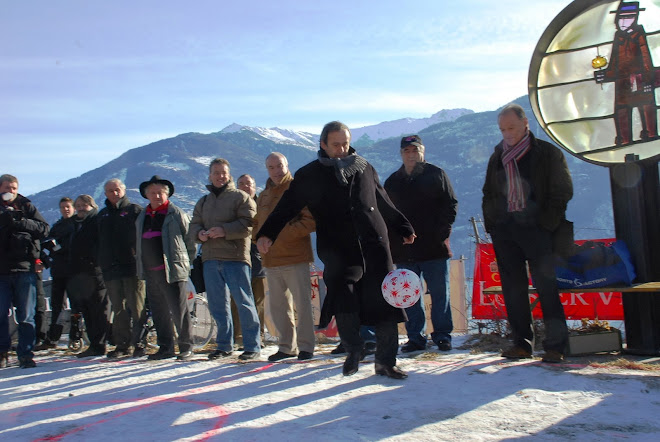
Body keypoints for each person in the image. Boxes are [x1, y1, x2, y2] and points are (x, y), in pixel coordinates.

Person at [257, 121, 415, 379]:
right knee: (344, 297)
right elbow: (288, 205)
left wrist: (402, 226)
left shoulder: (364, 166)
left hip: (374, 244)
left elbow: (382, 200)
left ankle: (386, 362)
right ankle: (354, 348)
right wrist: (267, 233)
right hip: (338, 248)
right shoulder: (309, 174)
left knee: (386, 302)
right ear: (323, 145)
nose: (342, 149)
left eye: (345, 143)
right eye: (336, 144)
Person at [482, 103, 573, 363]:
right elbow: (488, 192)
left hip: (539, 229)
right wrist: (493, 225)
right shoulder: (497, 156)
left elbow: (562, 190)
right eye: (502, 129)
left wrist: (546, 223)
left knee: (547, 287)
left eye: (511, 127)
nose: (507, 133)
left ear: (525, 124)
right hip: (506, 229)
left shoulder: (547, 153)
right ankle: (521, 343)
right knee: (513, 289)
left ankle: (556, 346)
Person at [384, 135, 458, 352]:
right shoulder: (393, 181)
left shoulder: (436, 174)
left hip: (434, 247)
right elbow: (386, 213)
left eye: (415, 150)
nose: (411, 154)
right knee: (409, 296)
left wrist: (441, 233)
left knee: (439, 294)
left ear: (422, 152)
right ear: (401, 154)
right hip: (404, 250)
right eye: (407, 151)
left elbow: (451, 205)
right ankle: (415, 337)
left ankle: (442, 336)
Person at [189, 160, 261, 361]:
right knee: (218, 305)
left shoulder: (241, 197)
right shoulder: (203, 202)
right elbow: (193, 225)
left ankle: (252, 346)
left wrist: (224, 231)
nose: (220, 176)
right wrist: (200, 234)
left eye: (224, 173)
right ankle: (223, 345)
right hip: (210, 259)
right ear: (210, 175)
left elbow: (249, 224)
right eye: (216, 173)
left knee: (244, 302)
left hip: (235, 258)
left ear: (229, 175)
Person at [254, 153, 316, 362]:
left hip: (295, 256)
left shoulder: (298, 190)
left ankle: (306, 346)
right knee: (278, 307)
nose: (276, 171)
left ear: (287, 165)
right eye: (271, 167)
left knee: (303, 305)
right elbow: (257, 225)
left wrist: (278, 235)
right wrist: (259, 240)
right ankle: (286, 347)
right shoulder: (263, 196)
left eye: (279, 166)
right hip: (271, 260)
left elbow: (309, 222)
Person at [135, 176, 195, 361]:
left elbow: (189, 240)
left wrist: (184, 264)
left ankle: (186, 347)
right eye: (153, 193)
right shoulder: (142, 216)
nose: (156, 196)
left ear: (166, 194)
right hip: (150, 271)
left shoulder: (176, 213)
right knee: (159, 311)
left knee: (179, 311)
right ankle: (165, 347)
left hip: (172, 270)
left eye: (160, 192)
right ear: (147, 195)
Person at [0, 174, 50, 368]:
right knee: (1, 314)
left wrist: (22, 222)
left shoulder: (27, 206)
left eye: (13, 187)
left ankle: (26, 353)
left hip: (25, 269)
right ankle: (2, 351)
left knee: (26, 316)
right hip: (1, 271)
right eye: (6, 187)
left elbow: (44, 229)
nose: (10, 191)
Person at [594, 1, 657, 145]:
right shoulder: (618, 37)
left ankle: (651, 134)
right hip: (623, 80)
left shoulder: (639, 35)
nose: (622, 22)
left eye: (627, 18)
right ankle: (625, 139)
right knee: (622, 109)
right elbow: (615, 61)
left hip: (640, 79)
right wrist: (606, 74)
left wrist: (648, 78)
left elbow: (646, 57)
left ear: (634, 19)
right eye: (620, 18)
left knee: (646, 106)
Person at [98, 178, 146, 358]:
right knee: (117, 308)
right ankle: (122, 344)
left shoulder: (134, 210)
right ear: (105, 194)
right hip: (111, 269)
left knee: (137, 306)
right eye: (110, 191)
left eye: (117, 189)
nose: (114, 193)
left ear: (123, 190)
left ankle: (140, 342)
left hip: (132, 267)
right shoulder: (102, 215)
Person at [67, 195, 111, 358]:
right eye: (77, 205)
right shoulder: (74, 224)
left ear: (92, 206)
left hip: (95, 271)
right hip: (79, 274)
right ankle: (94, 343)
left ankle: (100, 344)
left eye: (84, 205)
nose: (80, 207)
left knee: (98, 310)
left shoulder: (96, 221)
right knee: (87, 310)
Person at [35, 197, 78, 350]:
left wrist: (60, 248)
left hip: (74, 271)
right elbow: (45, 243)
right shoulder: (57, 227)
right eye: (62, 207)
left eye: (68, 207)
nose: (65, 209)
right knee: (56, 305)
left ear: (73, 207)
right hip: (58, 270)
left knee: (75, 305)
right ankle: (53, 337)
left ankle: (75, 336)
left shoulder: (77, 224)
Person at [235, 174, 266, 345]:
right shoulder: (233, 206)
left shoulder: (263, 205)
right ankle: (238, 337)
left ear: (254, 186)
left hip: (258, 260)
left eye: (249, 183)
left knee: (258, 302)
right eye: (241, 184)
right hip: (236, 259)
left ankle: (258, 337)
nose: (245, 186)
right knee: (237, 300)